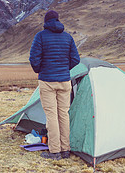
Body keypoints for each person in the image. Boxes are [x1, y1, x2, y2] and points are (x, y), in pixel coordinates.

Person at [29, 10, 80, 160]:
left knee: (52, 115)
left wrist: (40, 69)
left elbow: (34, 58)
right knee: (64, 114)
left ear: (46, 21)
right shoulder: (68, 37)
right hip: (65, 81)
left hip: (47, 81)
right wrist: (64, 69)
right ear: (58, 20)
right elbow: (75, 59)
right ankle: (65, 150)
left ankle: (55, 151)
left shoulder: (40, 36)